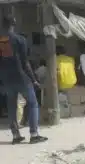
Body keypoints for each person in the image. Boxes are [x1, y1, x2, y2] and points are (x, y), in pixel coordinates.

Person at [0, 15, 47, 144]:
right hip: (21, 77)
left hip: (6, 79)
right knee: (33, 104)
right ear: (13, 23)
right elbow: (25, 63)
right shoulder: (20, 39)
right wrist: (34, 80)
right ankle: (34, 134)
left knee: (11, 107)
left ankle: (16, 136)